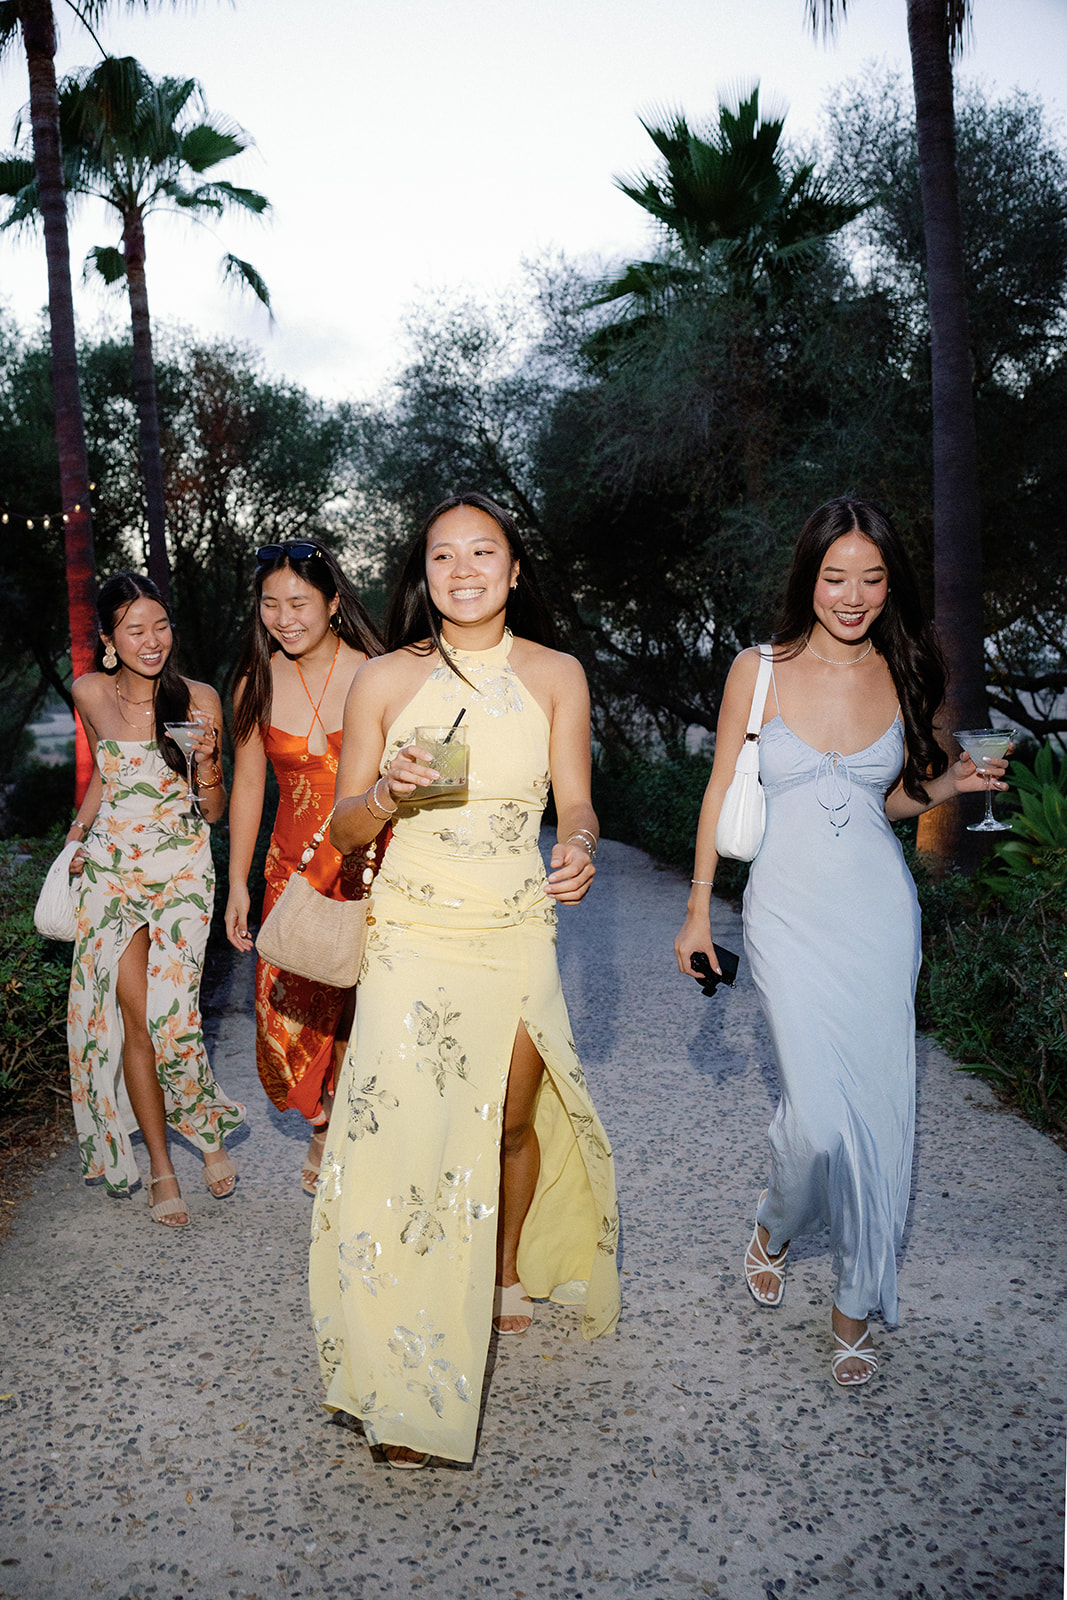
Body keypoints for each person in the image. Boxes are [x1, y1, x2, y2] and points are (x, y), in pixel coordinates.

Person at [309, 491, 620, 1467]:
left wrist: (577, 847)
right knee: (405, 1147)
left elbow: (576, 803)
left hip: (513, 925)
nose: (463, 569)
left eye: (483, 552)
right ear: (424, 575)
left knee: (508, 1123)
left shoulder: (555, 674)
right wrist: (384, 793)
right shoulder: (382, 679)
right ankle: (404, 1389)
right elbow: (342, 829)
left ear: (514, 570)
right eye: (442, 555)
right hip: (411, 930)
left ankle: (502, 1265)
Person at [674, 497, 1009, 1386]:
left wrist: (952, 785)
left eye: (871, 578)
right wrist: (699, 909)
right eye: (835, 577)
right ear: (808, 579)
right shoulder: (757, 669)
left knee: (880, 1107)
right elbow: (719, 790)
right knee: (819, 1121)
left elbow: (883, 800)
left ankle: (855, 1300)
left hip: (878, 914)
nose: (852, 596)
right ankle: (775, 1223)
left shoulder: (903, 670)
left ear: (889, 585)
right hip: (784, 914)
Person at [66, 572, 244, 1226]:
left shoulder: (198, 699)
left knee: (172, 1019)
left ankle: (207, 1130)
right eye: (135, 629)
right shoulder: (89, 692)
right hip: (111, 874)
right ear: (109, 640)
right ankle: (163, 1169)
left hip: (180, 874)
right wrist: (75, 839)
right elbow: (107, 776)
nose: (151, 640)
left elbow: (213, 812)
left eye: (160, 625)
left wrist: (208, 764)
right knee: (136, 1020)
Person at [225, 540, 385, 1193]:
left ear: (333, 602)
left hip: (374, 867)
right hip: (290, 872)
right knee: (286, 1018)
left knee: (361, 1006)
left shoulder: (378, 673)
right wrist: (236, 883)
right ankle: (321, 1115)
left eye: (299, 602)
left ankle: (345, 1133)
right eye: (271, 604)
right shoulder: (255, 683)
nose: (284, 618)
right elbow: (247, 787)